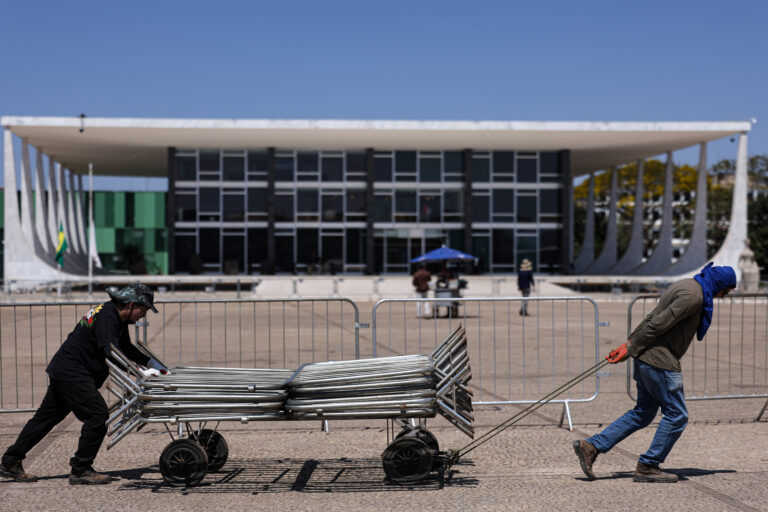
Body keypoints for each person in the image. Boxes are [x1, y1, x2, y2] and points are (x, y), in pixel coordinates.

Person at [573, 263, 737, 483]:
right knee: (677, 415)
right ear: (720, 284)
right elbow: (658, 324)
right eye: (725, 291)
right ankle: (648, 465)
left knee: (643, 412)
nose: (723, 296)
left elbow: (652, 316)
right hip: (660, 360)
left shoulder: (686, 285)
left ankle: (592, 446)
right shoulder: (693, 297)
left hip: (647, 358)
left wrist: (631, 343)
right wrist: (630, 348)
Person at [0, 284, 167, 485]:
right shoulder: (107, 317)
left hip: (66, 369)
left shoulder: (115, 315)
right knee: (97, 416)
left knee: (45, 419)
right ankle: (81, 469)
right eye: (144, 310)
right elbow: (111, 352)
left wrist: (152, 364)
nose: (144, 315)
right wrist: (141, 372)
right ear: (132, 304)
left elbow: (124, 348)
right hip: (72, 372)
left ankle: (10, 461)